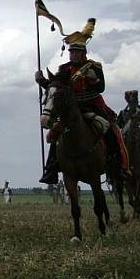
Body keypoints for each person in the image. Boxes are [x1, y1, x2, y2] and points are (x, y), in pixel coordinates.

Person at [35, 18, 126, 185]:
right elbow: (55, 87)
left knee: (110, 130)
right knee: (56, 133)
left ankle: (118, 165)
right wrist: (41, 81)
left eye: (77, 52)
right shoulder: (64, 69)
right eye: (72, 52)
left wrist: (93, 80)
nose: (74, 55)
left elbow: (101, 88)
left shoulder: (94, 67)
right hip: (72, 107)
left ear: (84, 53)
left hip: (93, 104)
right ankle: (52, 168)